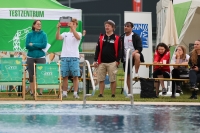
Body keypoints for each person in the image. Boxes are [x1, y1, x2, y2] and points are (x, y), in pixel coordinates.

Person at [94, 20, 121, 98]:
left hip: (112, 62)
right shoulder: (101, 37)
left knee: (112, 79)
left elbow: (120, 50)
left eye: (108, 25)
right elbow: (97, 49)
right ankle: (101, 94)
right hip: (101, 62)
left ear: (113, 27)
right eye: (106, 25)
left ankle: (113, 94)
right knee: (101, 79)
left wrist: (117, 60)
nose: (107, 27)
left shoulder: (117, 38)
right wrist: (95, 60)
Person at [56, 18, 82, 99]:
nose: (72, 25)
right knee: (65, 76)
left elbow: (78, 37)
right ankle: (64, 93)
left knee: (75, 76)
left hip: (74, 57)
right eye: (71, 23)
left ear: (76, 25)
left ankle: (75, 93)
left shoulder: (79, 33)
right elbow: (58, 38)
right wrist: (58, 28)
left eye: (74, 24)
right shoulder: (65, 33)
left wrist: (73, 28)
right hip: (64, 57)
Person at [120, 22, 144, 93]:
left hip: (134, 56)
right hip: (125, 58)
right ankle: (130, 91)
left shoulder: (136, 36)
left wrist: (133, 53)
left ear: (131, 28)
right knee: (128, 75)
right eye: (125, 26)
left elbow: (139, 48)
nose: (126, 27)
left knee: (137, 55)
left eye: (128, 26)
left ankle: (136, 73)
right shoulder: (122, 37)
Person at [26, 20, 47, 96]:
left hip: (41, 57)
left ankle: (40, 92)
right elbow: (27, 46)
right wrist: (38, 45)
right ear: (34, 25)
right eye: (37, 24)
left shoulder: (44, 34)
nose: (39, 25)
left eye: (40, 24)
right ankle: (32, 92)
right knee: (31, 74)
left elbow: (44, 45)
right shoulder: (29, 35)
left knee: (41, 74)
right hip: (30, 57)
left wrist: (33, 44)